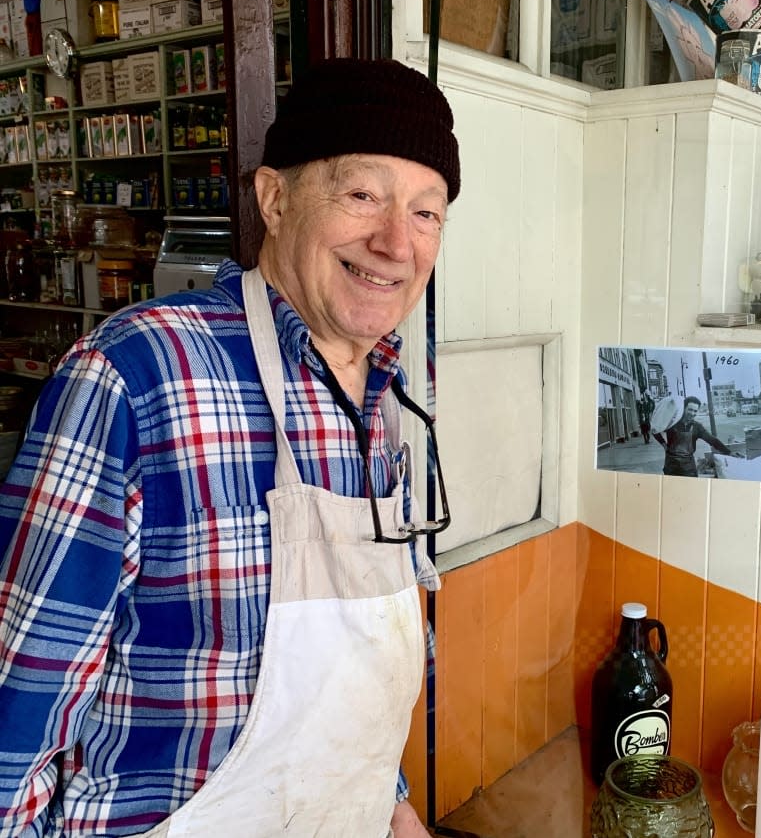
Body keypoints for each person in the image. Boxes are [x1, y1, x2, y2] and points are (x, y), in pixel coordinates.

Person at [0, 57, 459, 837]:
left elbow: (343, 686)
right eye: (362, 195)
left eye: (427, 213)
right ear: (275, 199)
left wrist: (392, 800)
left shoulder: (381, 401)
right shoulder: (136, 376)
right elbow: (17, 716)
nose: (394, 242)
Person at [652, 396, 734, 477]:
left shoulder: (697, 427)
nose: (692, 413)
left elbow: (712, 440)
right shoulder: (672, 423)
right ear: (684, 408)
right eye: (690, 410)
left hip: (688, 468)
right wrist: (664, 445)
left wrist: (729, 452)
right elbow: (655, 430)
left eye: (695, 411)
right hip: (671, 466)